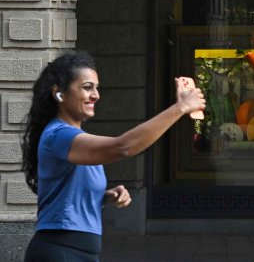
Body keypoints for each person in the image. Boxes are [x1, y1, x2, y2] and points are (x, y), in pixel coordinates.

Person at [20, 51, 206, 261]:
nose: (96, 95)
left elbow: (67, 197)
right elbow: (124, 146)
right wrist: (180, 107)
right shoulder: (59, 135)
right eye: (87, 87)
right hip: (61, 251)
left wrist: (104, 196)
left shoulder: (75, 139)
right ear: (59, 93)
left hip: (77, 252)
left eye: (96, 88)